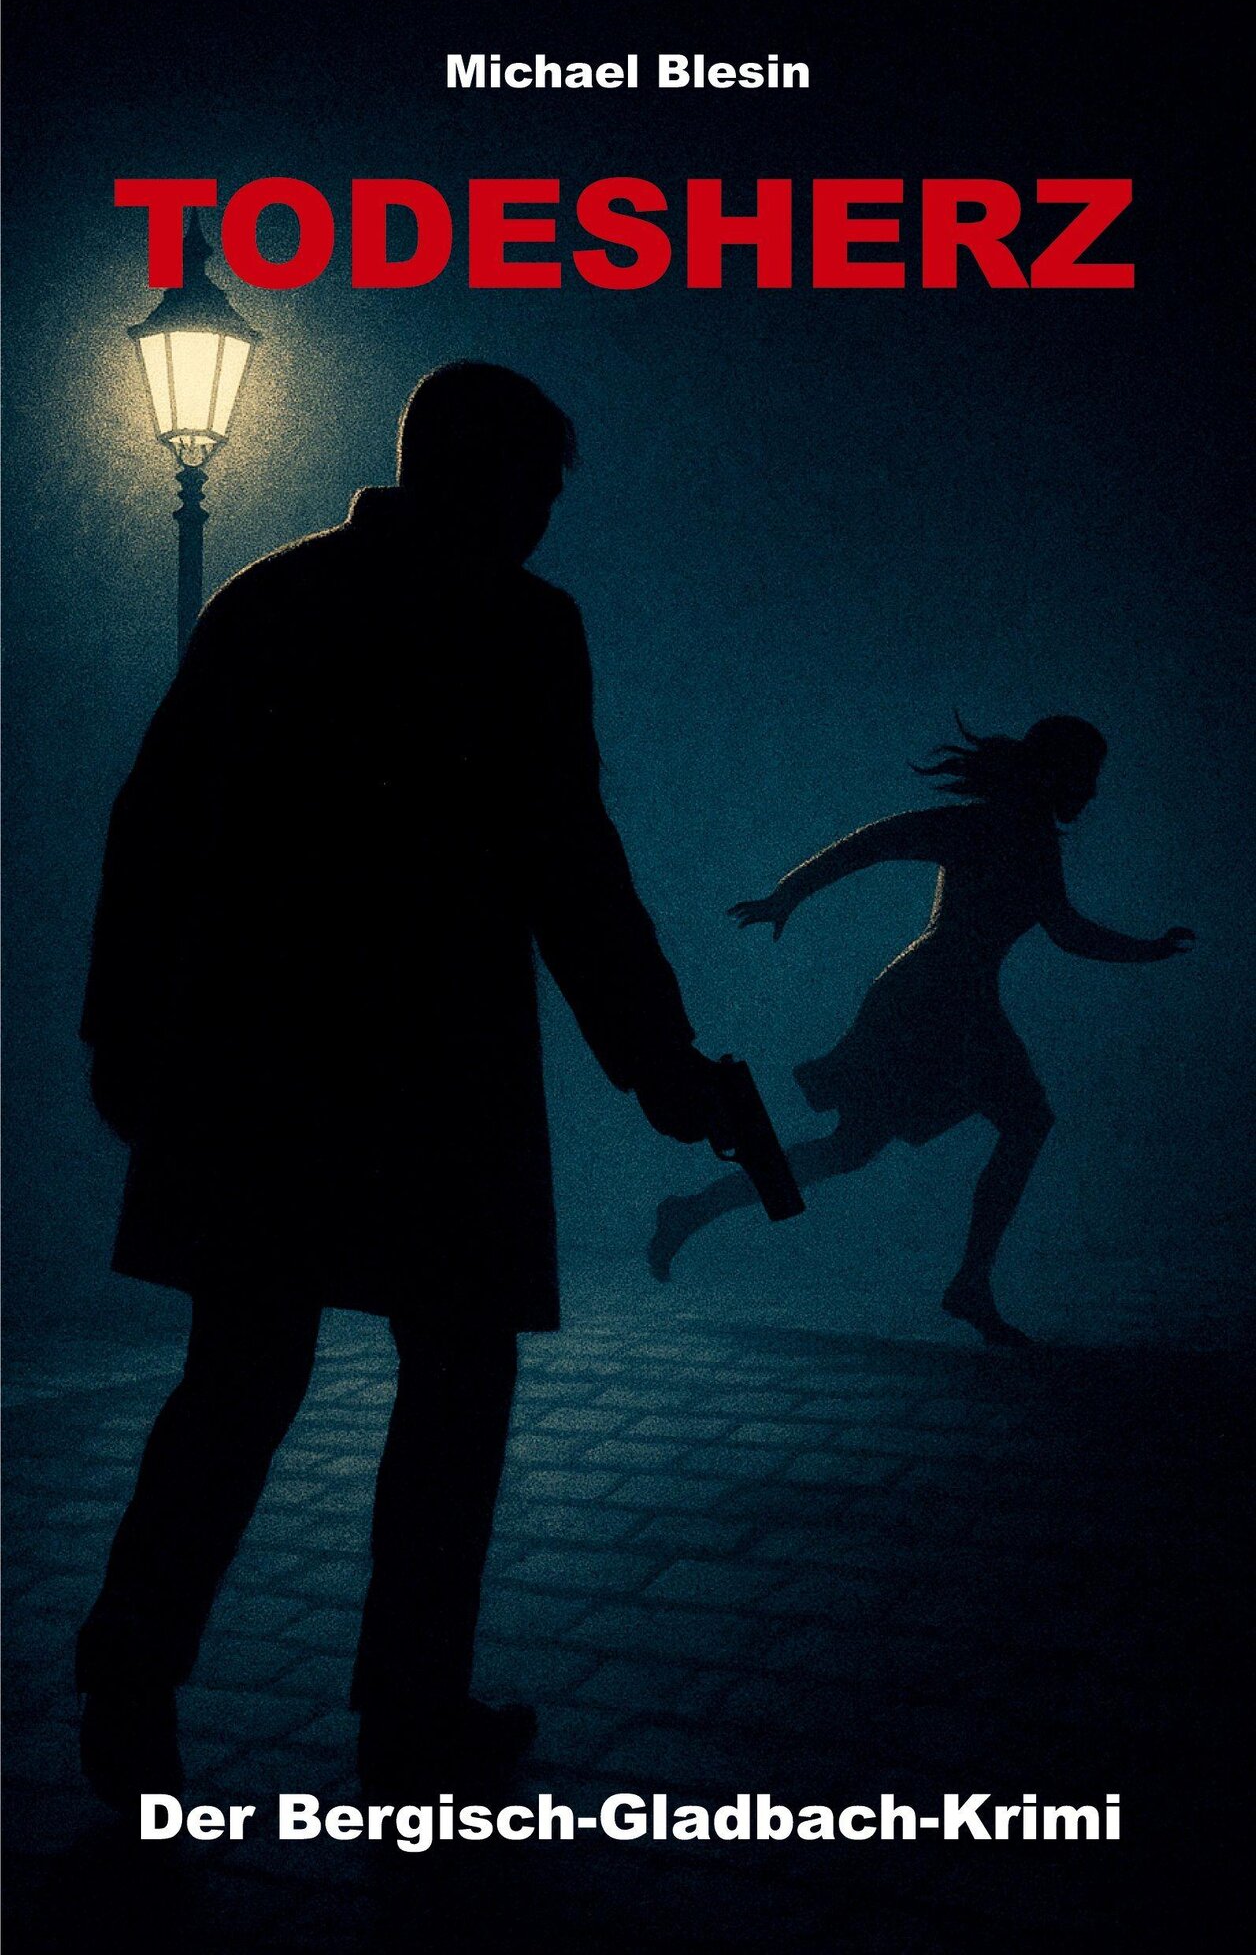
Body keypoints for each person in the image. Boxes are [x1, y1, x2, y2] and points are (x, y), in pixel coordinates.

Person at [77, 361, 726, 1804]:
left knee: (239, 1375)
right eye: (537, 487)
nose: (544, 516)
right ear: (496, 478)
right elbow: (571, 867)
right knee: (455, 1380)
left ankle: (130, 1669)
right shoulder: (523, 627)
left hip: (260, 1061)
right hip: (440, 1072)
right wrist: (660, 1064)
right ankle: (408, 1711)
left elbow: (155, 822)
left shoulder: (269, 596)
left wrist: (121, 1031)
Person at [649, 716, 1194, 1344]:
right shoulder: (980, 827)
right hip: (926, 1002)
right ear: (1053, 773)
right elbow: (874, 842)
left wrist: (1147, 950)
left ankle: (696, 1211)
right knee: (997, 1126)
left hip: (957, 1002)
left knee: (864, 1147)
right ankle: (967, 1282)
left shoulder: (1035, 841)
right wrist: (787, 894)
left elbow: (1065, 929)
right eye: (1087, 775)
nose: (1092, 791)